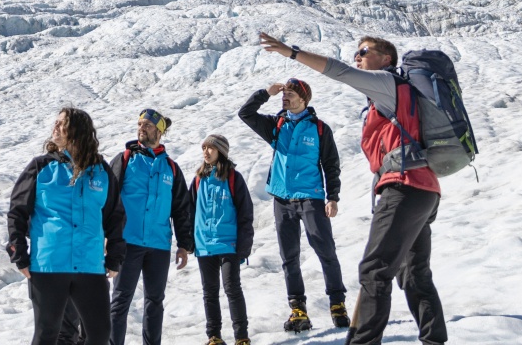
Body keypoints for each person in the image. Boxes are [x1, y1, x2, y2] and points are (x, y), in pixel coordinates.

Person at [258, 32, 447, 345]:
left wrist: (292, 52)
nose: (357, 57)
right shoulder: (398, 98)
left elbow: (339, 71)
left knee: (375, 271)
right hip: (424, 191)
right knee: (414, 274)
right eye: (356, 52)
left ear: (386, 58)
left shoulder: (388, 84)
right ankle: (434, 340)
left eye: (364, 51)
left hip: (404, 188)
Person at [8, 107, 128, 345]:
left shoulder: (101, 171)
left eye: (62, 123)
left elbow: (115, 215)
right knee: (47, 335)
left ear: (78, 131)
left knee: (100, 334)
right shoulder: (40, 167)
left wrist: (115, 256)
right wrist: (18, 252)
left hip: (90, 267)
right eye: (56, 122)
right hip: (49, 265)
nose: (56, 127)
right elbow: (17, 212)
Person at [237, 76, 348, 331]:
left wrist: (333, 197)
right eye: (284, 93)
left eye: (290, 94)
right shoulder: (276, 125)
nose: (285, 97)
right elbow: (245, 113)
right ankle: (298, 309)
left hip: (311, 197)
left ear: (303, 99)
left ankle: (337, 303)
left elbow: (331, 165)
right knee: (289, 257)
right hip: (282, 199)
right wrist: (266, 93)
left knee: (325, 250)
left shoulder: (319, 129)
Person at [105, 109, 194, 345]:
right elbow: (108, 199)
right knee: (121, 300)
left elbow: (181, 209)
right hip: (128, 242)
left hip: (158, 245)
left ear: (160, 131)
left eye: (147, 125)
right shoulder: (125, 159)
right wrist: (106, 236)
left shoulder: (171, 169)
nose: (141, 128)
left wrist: (184, 245)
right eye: (139, 124)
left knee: (155, 301)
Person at [191, 134, 253, 345]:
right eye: (204, 148)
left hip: (228, 244)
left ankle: (241, 337)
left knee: (232, 289)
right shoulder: (199, 179)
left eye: (211, 148)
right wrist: (190, 241)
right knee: (209, 292)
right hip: (204, 245)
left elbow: (245, 214)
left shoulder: (234, 178)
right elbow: (190, 212)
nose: (206, 152)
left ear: (221, 152)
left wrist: (244, 246)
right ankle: (214, 336)